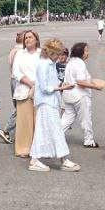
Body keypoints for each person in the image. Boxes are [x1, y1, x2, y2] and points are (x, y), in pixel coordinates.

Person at [29, 39, 79, 172]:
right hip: (46, 103)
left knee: (48, 130)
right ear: (51, 53)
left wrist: (62, 85)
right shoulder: (44, 65)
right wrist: (62, 88)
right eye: (57, 54)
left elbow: (52, 84)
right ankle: (61, 159)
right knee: (53, 130)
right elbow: (45, 88)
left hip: (51, 102)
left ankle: (39, 159)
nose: (59, 57)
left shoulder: (50, 64)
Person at [58, 42, 98, 148]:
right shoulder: (80, 64)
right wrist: (96, 86)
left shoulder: (71, 62)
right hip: (80, 95)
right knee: (86, 119)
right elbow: (80, 82)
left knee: (67, 118)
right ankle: (89, 140)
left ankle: (55, 136)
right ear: (81, 52)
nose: (88, 53)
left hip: (68, 95)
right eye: (86, 51)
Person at [11, 30, 41, 158]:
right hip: (24, 90)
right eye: (26, 38)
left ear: (36, 39)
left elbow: (46, 70)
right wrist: (30, 83)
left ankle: (39, 148)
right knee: (25, 122)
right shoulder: (20, 54)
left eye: (30, 37)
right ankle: (24, 148)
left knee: (39, 122)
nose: (28, 39)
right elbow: (16, 72)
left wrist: (37, 85)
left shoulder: (42, 54)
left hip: (40, 90)